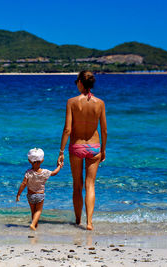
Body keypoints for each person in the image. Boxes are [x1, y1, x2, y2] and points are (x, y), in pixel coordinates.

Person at [57, 70, 107, 230]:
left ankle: (78, 220)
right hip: (94, 146)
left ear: (80, 82)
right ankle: (89, 223)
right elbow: (104, 130)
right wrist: (103, 149)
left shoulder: (71, 102)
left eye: (76, 81)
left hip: (76, 146)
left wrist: (61, 151)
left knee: (77, 185)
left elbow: (67, 129)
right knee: (90, 184)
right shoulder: (100, 103)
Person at [16, 148, 63, 230]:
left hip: (30, 195)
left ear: (29, 161)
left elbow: (24, 184)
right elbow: (54, 173)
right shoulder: (45, 172)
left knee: (33, 211)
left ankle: (35, 226)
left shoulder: (28, 172)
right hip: (40, 195)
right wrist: (59, 166)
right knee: (39, 211)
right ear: (42, 160)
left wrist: (19, 194)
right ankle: (33, 224)